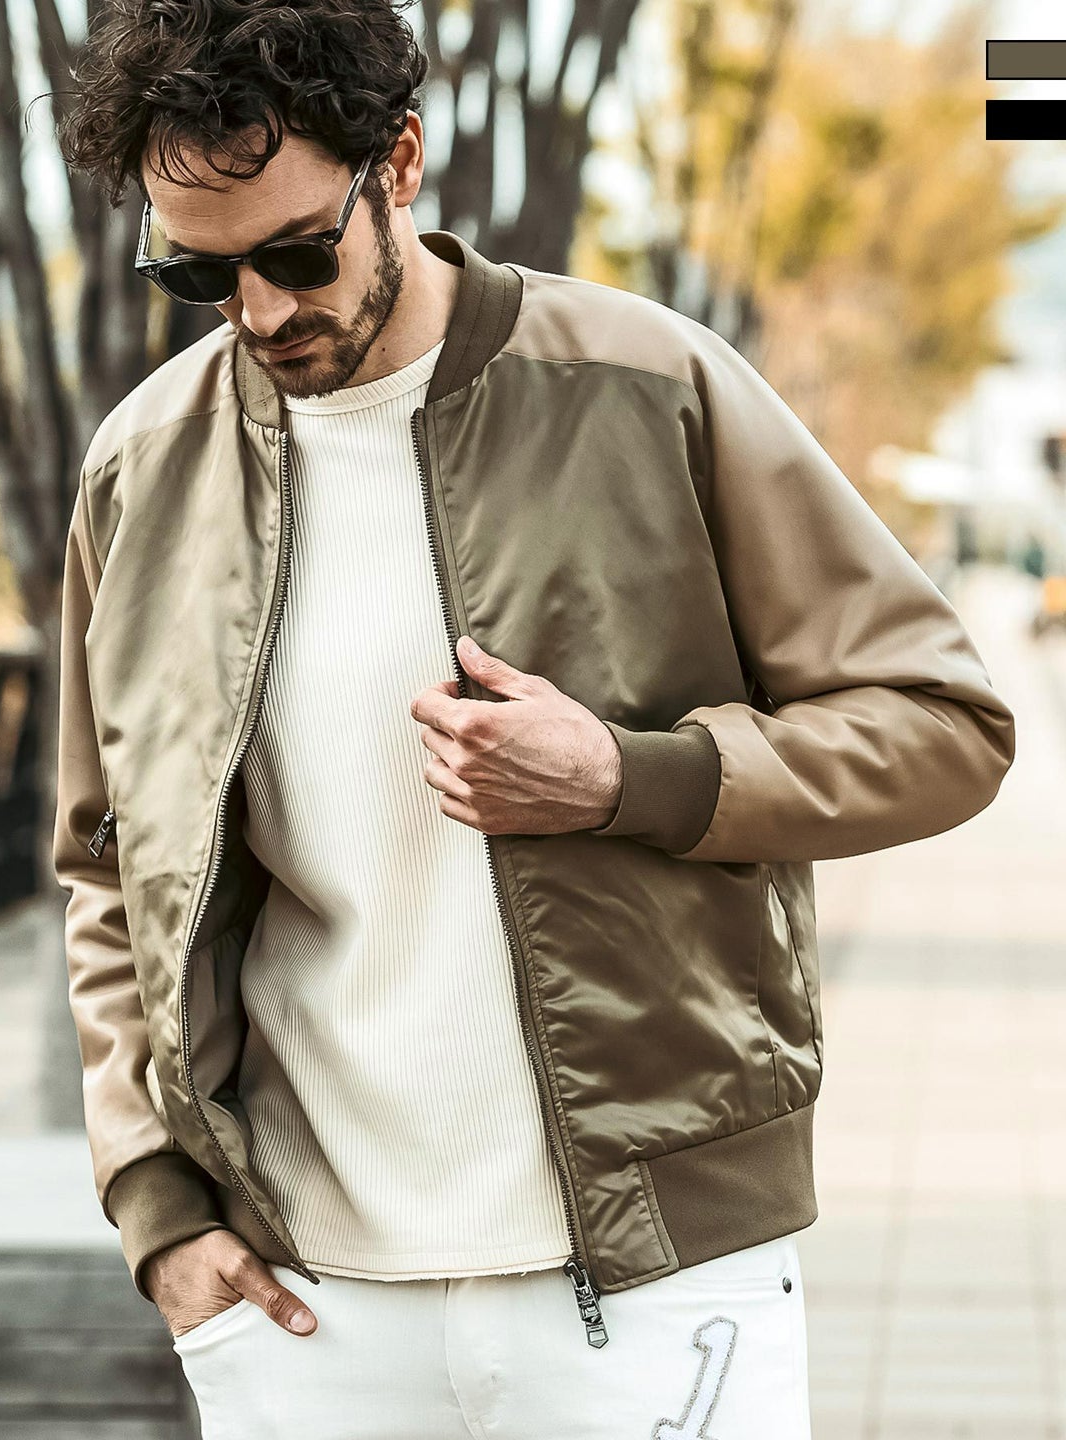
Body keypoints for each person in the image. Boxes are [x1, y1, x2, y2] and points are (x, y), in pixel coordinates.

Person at [51, 2, 1016, 1436]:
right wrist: (156, 1203)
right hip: (305, 1305)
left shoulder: (646, 385)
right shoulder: (145, 469)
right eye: (198, 273)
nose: (258, 311)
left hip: (651, 1277)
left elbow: (944, 721)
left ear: (399, 163)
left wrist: (635, 777)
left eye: (298, 253)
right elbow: (104, 864)